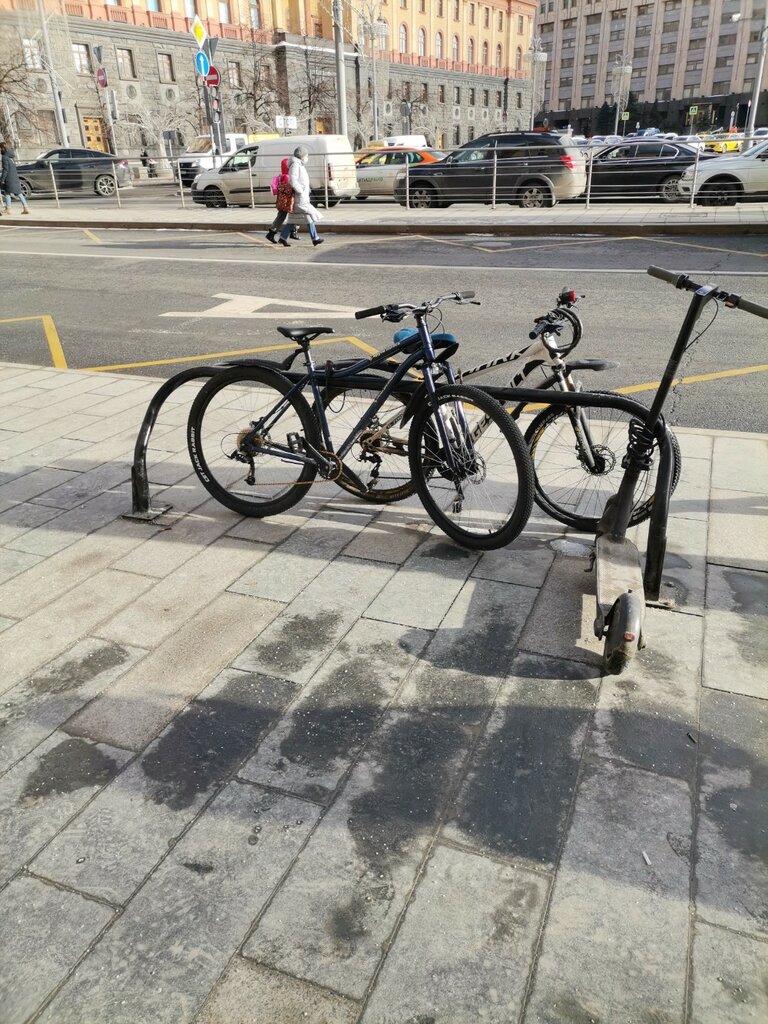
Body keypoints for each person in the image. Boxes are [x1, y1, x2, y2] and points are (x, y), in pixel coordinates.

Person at [277, 145, 324, 247]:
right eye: (306, 155)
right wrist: (301, 191)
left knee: (296, 219)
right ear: (301, 156)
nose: (307, 157)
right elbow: (292, 180)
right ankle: (314, 238)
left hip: (302, 196)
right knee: (310, 214)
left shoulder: (299, 164)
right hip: (299, 197)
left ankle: (283, 238)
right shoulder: (295, 165)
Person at [265, 158, 299, 242]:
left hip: (281, 201)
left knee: (281, 216)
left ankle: (272, 233)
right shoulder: (288, 177)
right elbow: (290, 190)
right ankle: (292, 232)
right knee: (293, 215)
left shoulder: (280, 177)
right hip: (288, 202)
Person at [0, 143, 29, 215]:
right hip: (14, 176)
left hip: (8, 178)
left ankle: (8, 209)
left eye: (0, 148)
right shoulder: (11, 156)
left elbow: (5, 169)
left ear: (3, 148)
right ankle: (26, 208)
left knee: (7, 192)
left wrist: (2, 179)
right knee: (18, 192)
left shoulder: (4, 157)